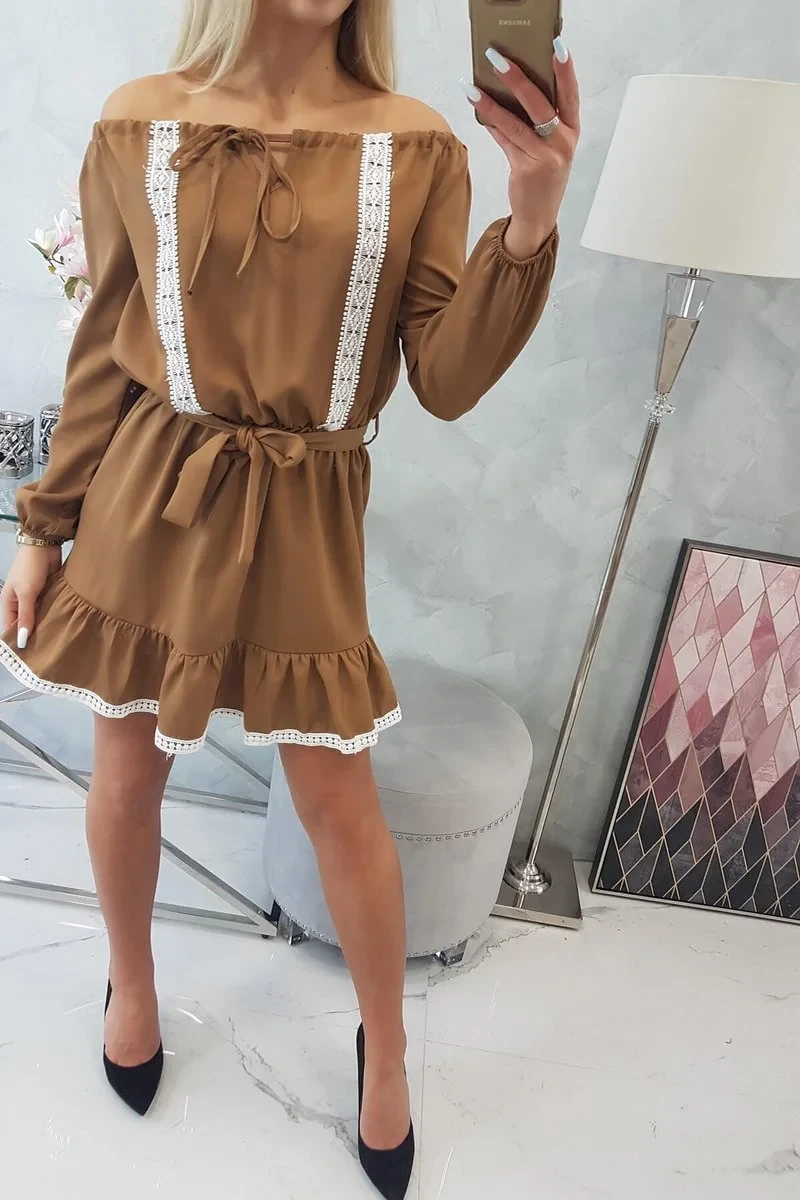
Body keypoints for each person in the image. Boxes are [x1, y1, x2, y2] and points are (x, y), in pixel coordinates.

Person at [1, 1, 578, 1195]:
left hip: (305, 513)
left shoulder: (415, 145)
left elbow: (445, 377)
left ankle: (385, 1048)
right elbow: (106, 347)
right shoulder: (137, 124)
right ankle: (131, 985)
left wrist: (528, 218)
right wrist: (44, 526)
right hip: (150, 497)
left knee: (335, 798)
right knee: (126, 769)